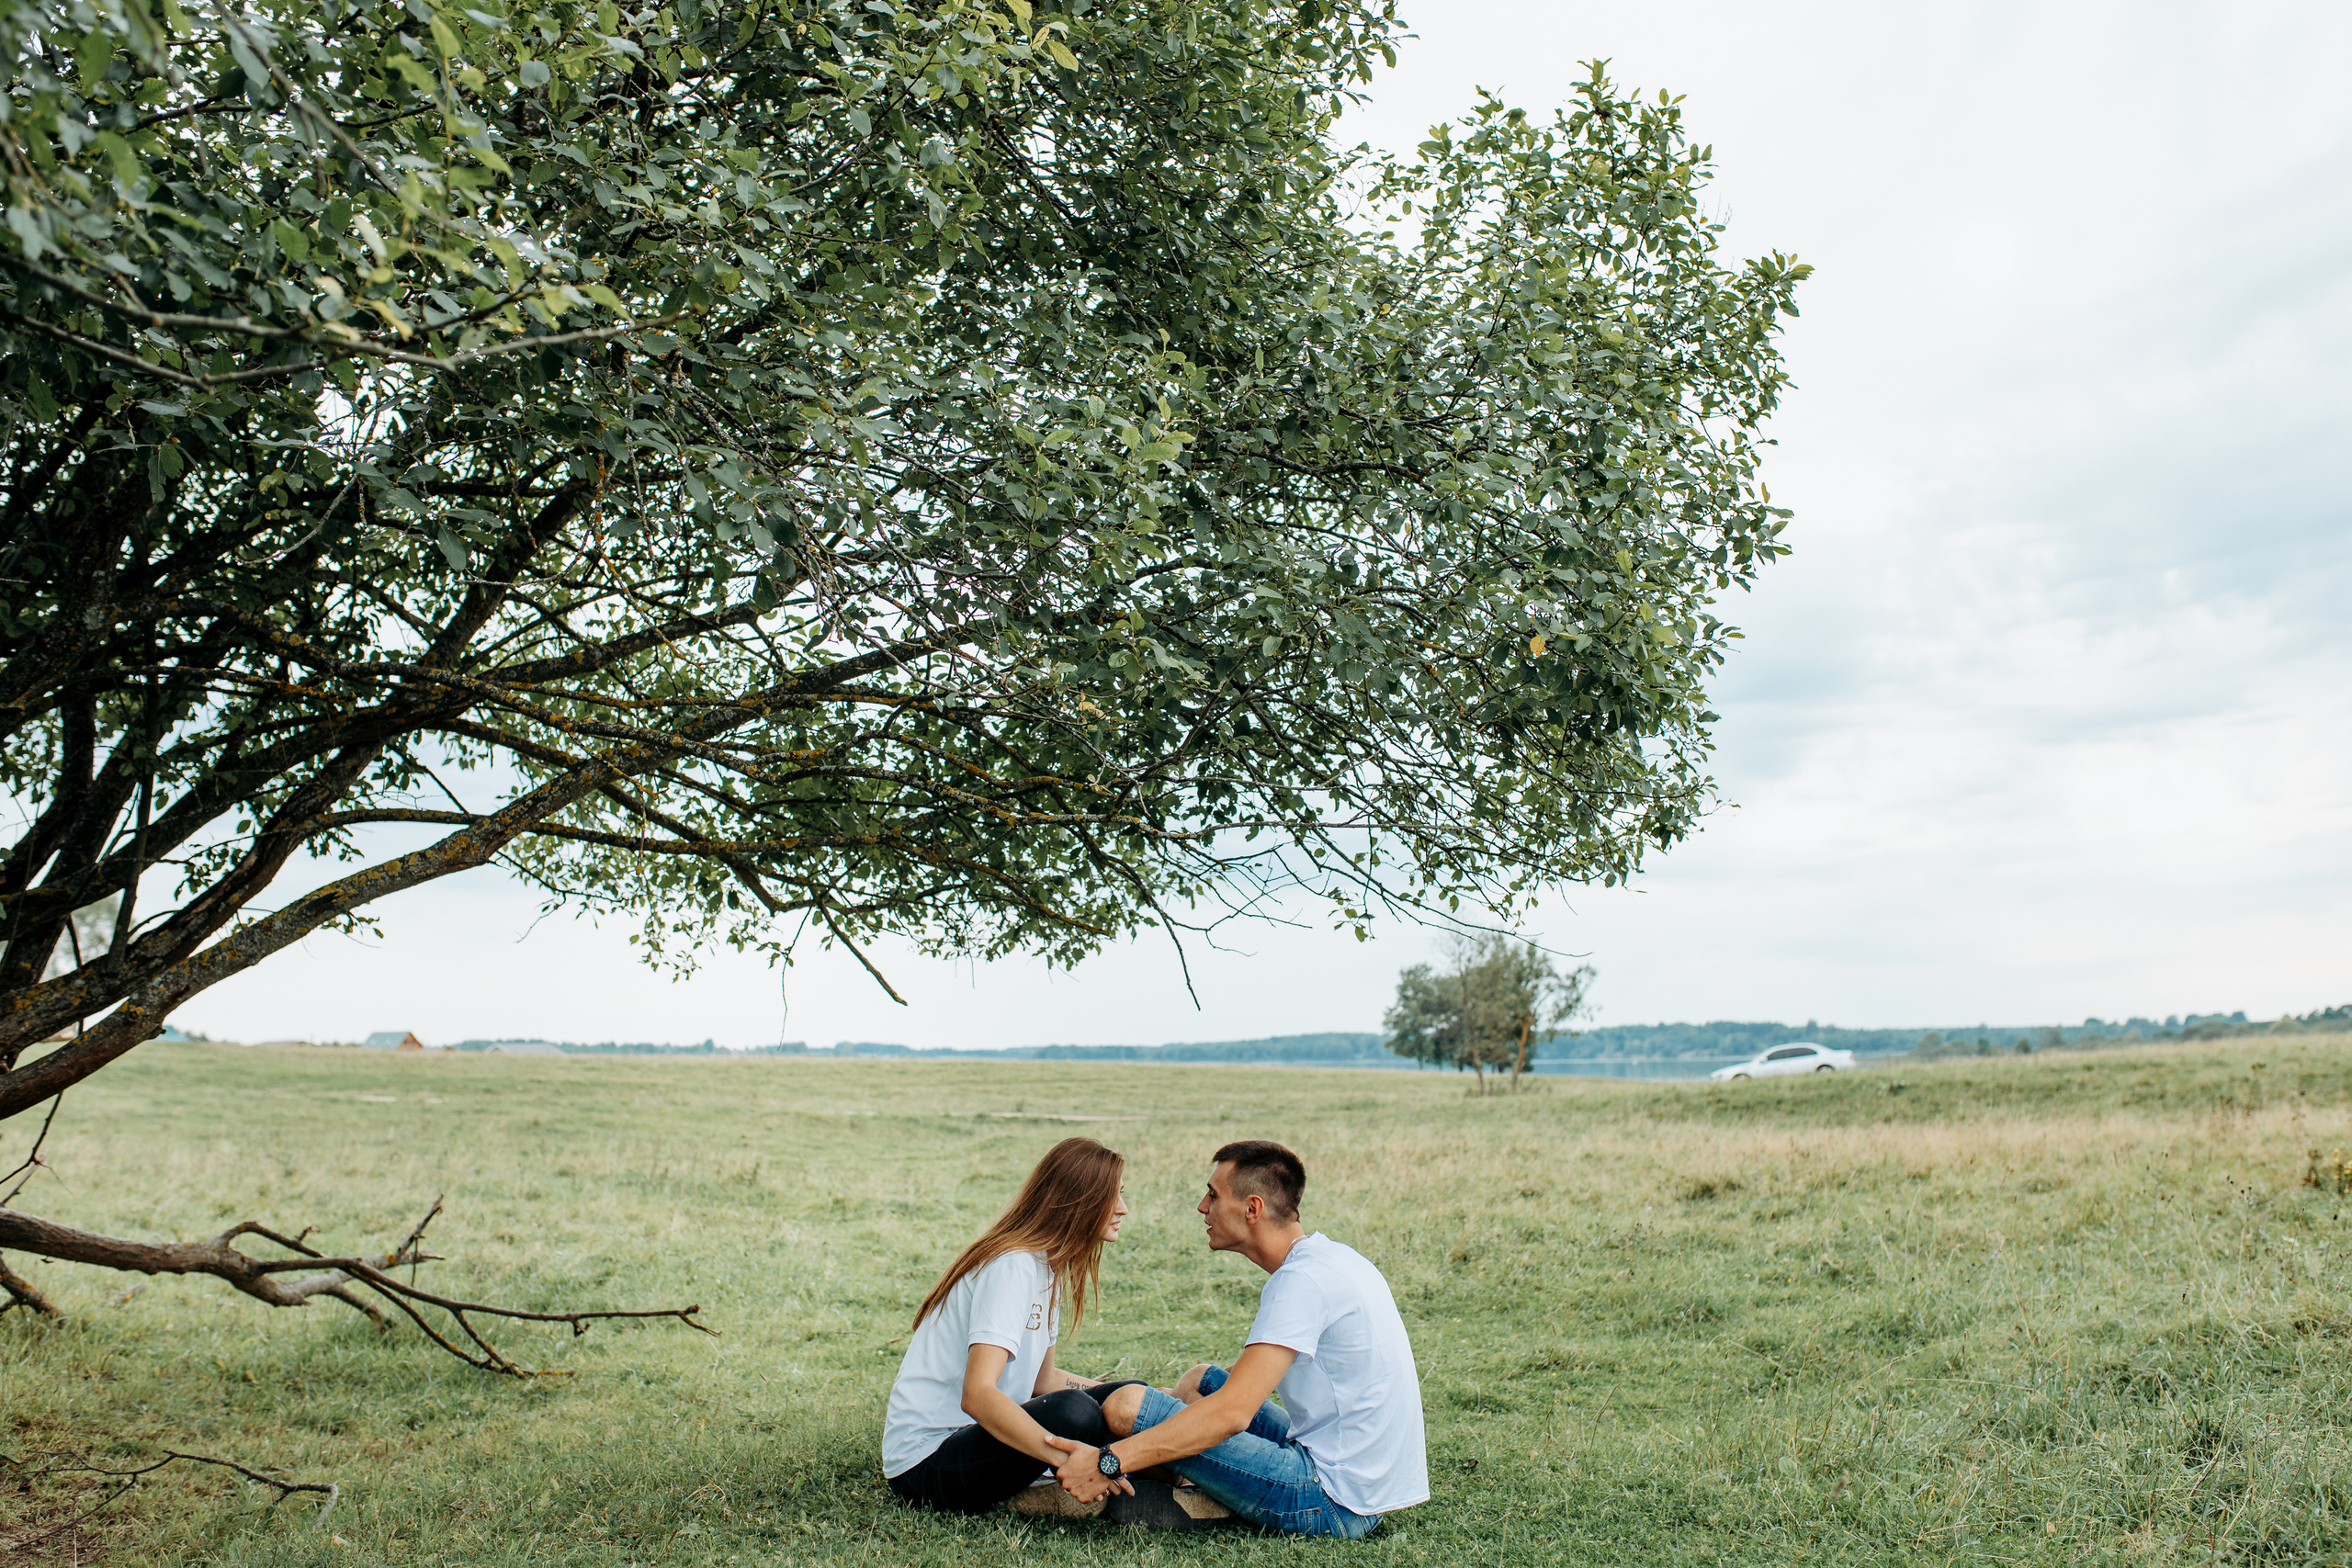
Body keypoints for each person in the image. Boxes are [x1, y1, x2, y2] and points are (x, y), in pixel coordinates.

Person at [1043, 1139, 1427, 1539]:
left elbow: (1232, 1414)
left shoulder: (1301, 1282)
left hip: (1334, 1499)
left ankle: (1185, 1487)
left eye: (1213, 1195)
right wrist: (1168, 1407)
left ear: (1252, 1209)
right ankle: (1191, 1481)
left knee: (1128, 1407)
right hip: (1361, 1482)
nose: (1202, 1207)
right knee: (1200, 1381)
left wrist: (1109, 1461)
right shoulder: (1333, 1259)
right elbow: (1240, 1385)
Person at [881, 1136, 1143, 1515]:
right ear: (1078, 1201)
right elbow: (977, 1395)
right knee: (1076, 1413)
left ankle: (1151, 1474)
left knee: (1133, 1396)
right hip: (926, 1461)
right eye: (1111, 1196)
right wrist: (1071, 1459)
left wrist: (1118, 1396)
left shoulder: (1048, 1266)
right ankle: (1104, 1478)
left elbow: (1044, 1381)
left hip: (978, 1438)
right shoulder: (1013, 1266)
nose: (1123, 1208)